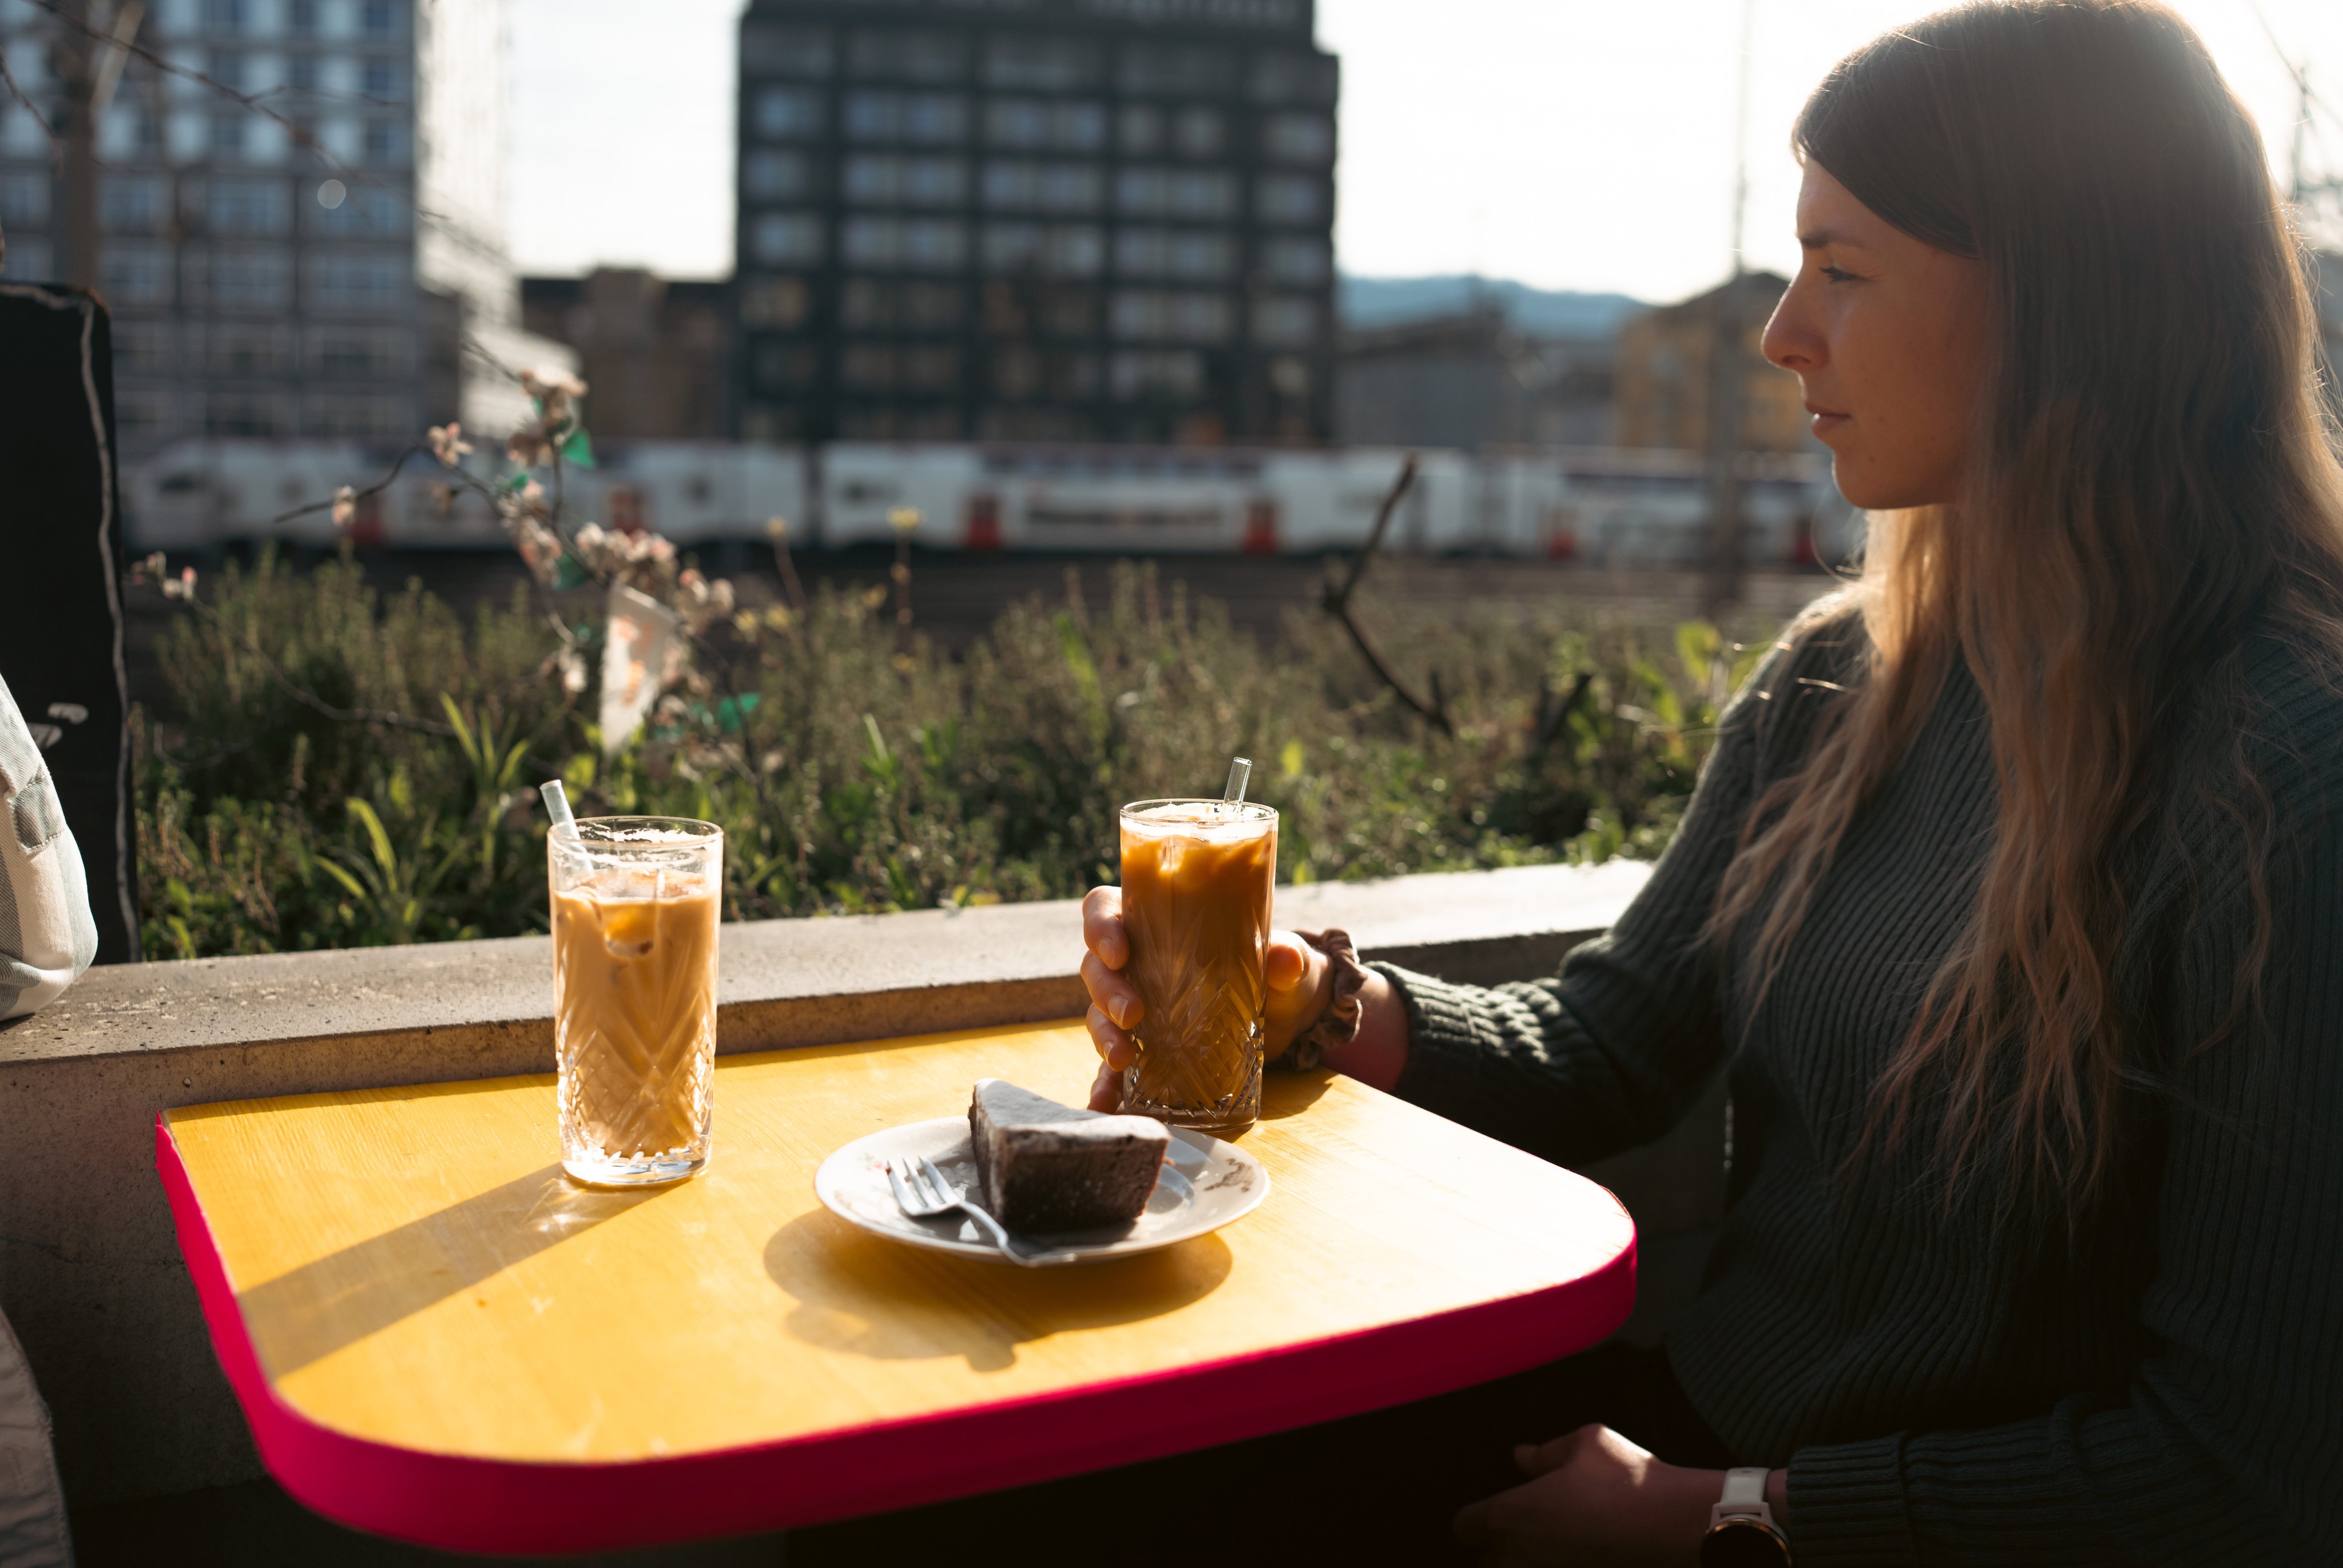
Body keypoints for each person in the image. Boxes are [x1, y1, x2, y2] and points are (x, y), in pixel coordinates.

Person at [1078, 3, 2343, 1562]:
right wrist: (1322, 1007)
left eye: (1846, 268)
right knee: (1097, 1469)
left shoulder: (2290, 775)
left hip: (1834, 1516)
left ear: (2064, 307)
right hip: (1696, 1434)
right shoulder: (1844, 686)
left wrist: (1712, 1521)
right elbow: (1612, 1045)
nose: (1782, 330)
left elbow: (2254, 1477)